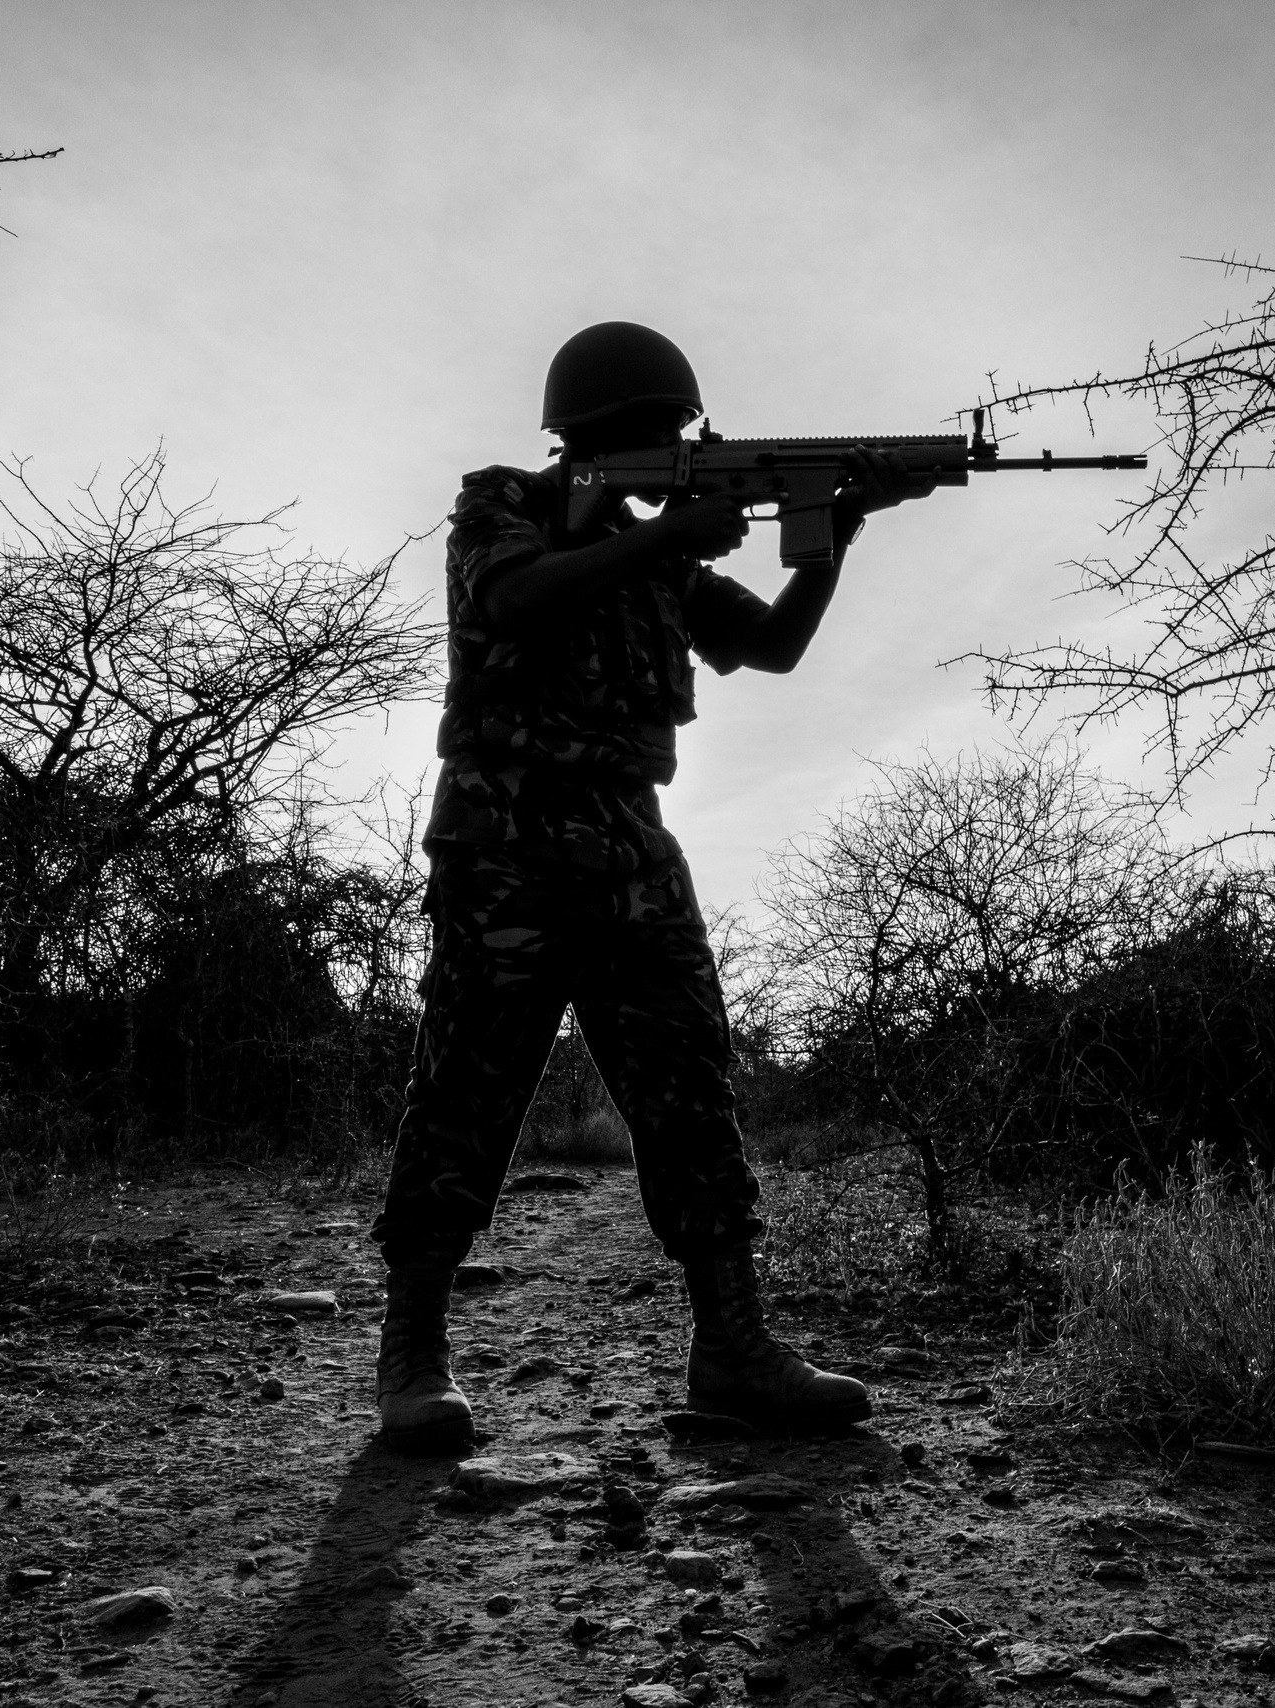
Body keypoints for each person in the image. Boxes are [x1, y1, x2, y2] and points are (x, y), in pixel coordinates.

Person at [368, 321, 934, 1452]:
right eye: (660, 430)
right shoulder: (505, 506)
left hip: (632, 845)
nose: (677, 439)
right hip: (504, 842)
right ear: (600, 436)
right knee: (467, 1091)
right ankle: (413, 1356)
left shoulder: (666, 557)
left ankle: (732, 1350)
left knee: (689, 1087)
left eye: (680, 432)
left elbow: (771, 647)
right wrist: (669, 530)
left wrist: (832, 532)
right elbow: (515, 601)